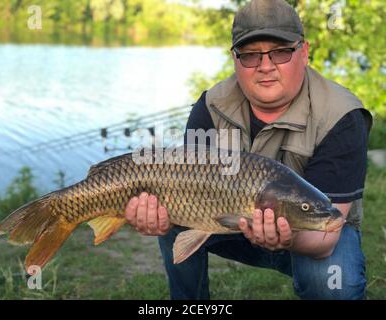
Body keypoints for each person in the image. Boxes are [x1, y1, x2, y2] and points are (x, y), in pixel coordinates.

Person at [124, 0, 372, 299]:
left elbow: (325, 234)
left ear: (304, 52)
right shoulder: (211, 106)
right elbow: (184, 187)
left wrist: (284, 235)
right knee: (173, 212)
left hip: (315, 234)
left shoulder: (341, 116)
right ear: (235, 59)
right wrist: (157, 216)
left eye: (281, 52)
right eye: (251, 55)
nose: (266, 66)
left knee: (334, 283)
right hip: (229, 223)